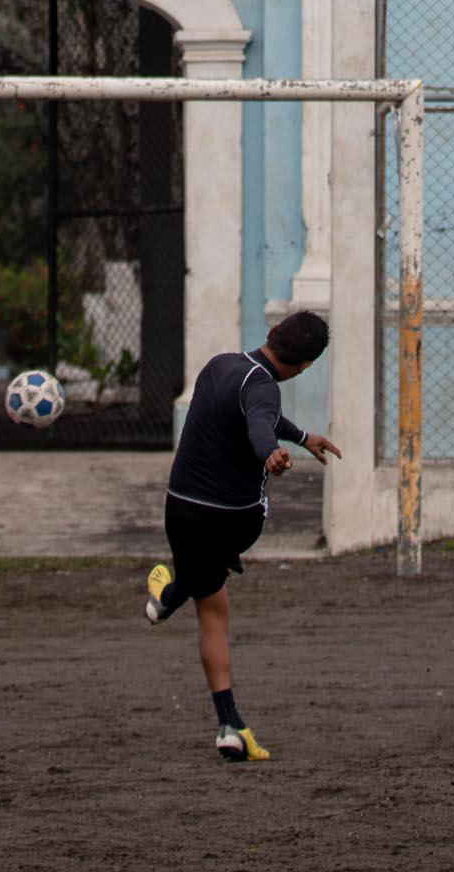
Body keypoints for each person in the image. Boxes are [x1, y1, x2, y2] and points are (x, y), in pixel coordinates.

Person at [143, 308, 338, 762]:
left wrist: (301, 435)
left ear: (271, 334)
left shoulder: (219, 364)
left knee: (211, 604)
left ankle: (231, 723)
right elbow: (258, 419)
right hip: (232, 520)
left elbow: (251, 412)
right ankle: (169, 600)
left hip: (181, 510)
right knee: (209, 606)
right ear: (305, 367)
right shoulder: (266, 387)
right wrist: (270, 452)